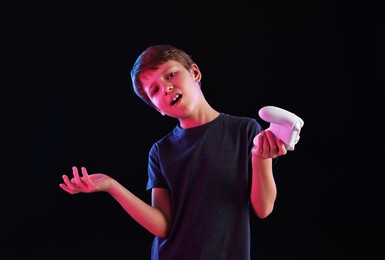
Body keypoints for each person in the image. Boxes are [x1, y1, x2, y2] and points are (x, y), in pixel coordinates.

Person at [59, 44, 288, 259]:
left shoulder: (244, 130)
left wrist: (260, 158)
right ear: (158, 108)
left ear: (195, 73)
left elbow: (263, 208)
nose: (166, 87)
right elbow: (162, 225)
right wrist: (111, 186)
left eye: (170, 75)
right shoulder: (161, 151)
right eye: (155, 90)